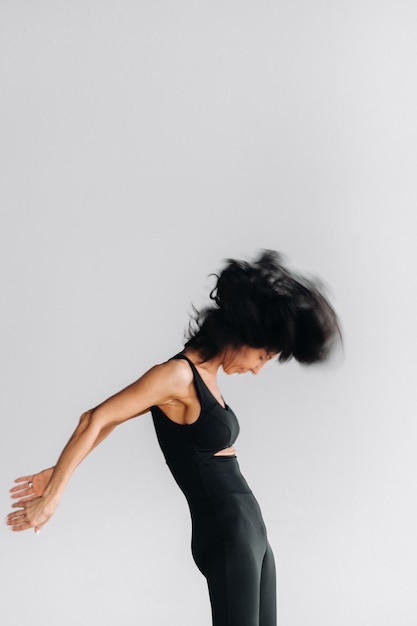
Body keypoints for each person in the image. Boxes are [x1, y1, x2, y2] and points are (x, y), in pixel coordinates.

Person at [6, 250, 341, 626]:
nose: (257, 369)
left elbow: (111, 422)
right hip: (227, 530)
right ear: (243, 336)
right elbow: (95, 418)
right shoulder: (177, 376)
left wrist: (60, 468)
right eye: (261, 357)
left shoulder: (207, 378)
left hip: (252, 531)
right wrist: (54, 493)